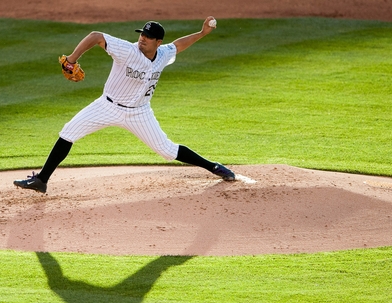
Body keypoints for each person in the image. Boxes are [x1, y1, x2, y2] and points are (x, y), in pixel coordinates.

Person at [14, 17, 235, 194]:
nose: (143, 39)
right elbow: (96, 36)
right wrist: (71, 59)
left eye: (148, 37)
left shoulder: (163, 54)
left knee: (167, 150)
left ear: (158, 42)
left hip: (140, 113)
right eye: (142, 34)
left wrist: (202, 33)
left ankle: (213, 166)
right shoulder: (127, 50)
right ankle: (42, 180)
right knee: (68, 131)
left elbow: (178, 45)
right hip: (107, 106)